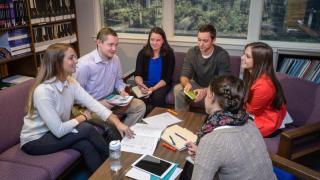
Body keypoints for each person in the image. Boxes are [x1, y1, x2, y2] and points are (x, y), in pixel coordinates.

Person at [20, 43, 134, 173]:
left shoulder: (70, 82)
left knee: (85, 145)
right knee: (87, 128)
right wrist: (83, 117)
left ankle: (106, 174)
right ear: (57, 63)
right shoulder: (44, 91)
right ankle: (119, 165)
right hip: (35, 140)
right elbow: (58, 130)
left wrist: (118, 123)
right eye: (71, 58)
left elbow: (92, 103)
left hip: (53, 131)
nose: (76, 61)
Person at [182, 75, 276, 180]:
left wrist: (205, 151)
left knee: (187, 172)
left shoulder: (211, 140)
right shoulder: (250, 123)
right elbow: (233, 154)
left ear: (211, 96)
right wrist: (204, 152)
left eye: (207, 94)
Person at [75, 27, 146, 127]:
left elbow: (118, 80)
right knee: (112, 121)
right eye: (110, 45)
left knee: (140, 106)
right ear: (99, 42)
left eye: (116, 45)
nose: (114, 49)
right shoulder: (84, 65)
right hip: (92, 107)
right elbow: (76, 96)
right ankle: (119, 132)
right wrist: (100, 103)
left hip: (112, 100)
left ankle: (125, 135)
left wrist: (122, 91)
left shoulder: (115, 59)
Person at [174, 24, 231, 111]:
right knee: (178, 89)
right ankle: (183, 119)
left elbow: (223, 82)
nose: (201, 44)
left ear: (213, 40)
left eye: (205, 41)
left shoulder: (222, 55)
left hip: (215, 87)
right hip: (197, 83)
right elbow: (184, 75)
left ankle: (214, 122)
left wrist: (206, 90)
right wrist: (186, 84)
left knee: (221, 94)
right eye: (199, 40)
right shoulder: (192, 52)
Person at [242, 42, 286, 137]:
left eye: (247, 56)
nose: (242, 58)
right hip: (256, 115)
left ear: (259, 61)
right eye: (244, 54)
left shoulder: (263, 86)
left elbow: (252, 111)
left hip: (265, 123)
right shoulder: (253, 74)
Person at [134, 27, 175, 110]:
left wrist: (152, 89)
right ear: (149, 40)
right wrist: (141, 85)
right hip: (145, 83)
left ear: (163, 40)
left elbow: (167, 78)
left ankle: (158, 119)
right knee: (140, 98)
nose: (154, 43)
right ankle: (143, 120)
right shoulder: (142, 53)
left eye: (158, 40)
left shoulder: (169, 54)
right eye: (152, 39)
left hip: (161, 84)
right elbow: (138, 74)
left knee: (157, 98)